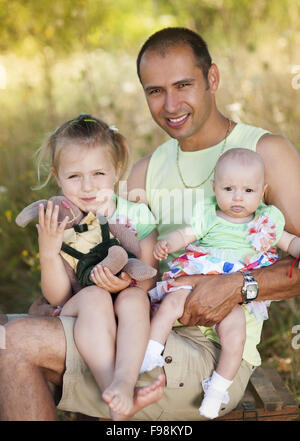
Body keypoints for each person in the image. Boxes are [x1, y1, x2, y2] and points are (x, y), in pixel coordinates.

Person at [0, 27, 300, 421]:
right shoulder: (145, 171)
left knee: (13, 345)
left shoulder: (264, 152)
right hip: (141, 330)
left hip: (212, 352)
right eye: (155, 90)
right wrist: (59, 300)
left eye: (183, 84)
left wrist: (238, 286)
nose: (170, 103)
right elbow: (123, 259)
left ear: (212, 78)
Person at [140, 148, 300, 419]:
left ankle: (217, 389)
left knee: (235, 335)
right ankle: (150, 352)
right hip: (201, 270)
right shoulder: (210, 215)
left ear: (263, 191)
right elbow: (186, 234)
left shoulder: (266, 221)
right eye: (228, 188)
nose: (238, 197)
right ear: (215, 188)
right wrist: (168, 244)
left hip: (232, 293)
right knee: (171, 303)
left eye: (249, 191)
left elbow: (289, 242)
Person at [29, 113, 160, 420]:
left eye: (98, 173)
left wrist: (126, 282)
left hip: (127, 300)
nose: (87, 186)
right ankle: (113, 395)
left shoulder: (137, 216)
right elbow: (58, 297)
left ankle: (125, 382)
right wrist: (49, 254)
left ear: (116, 172)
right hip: (80, 305)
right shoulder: (58, 221)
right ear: (57, 176)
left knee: (135, 298)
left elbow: (148, 277)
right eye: (74, 176)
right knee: (96, 297)